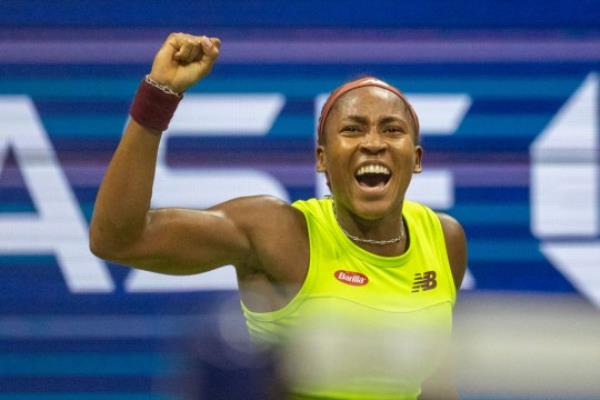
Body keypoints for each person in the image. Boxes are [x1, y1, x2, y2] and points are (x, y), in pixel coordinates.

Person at [90, 33, 467, 399]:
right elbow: (118, 239)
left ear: (415, 159)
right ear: (322, 159)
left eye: (392, 130)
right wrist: (159, 96)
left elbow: (430, 383)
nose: (372, 143)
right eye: (352, 130)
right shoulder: (277, 233)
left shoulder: (444, 239)